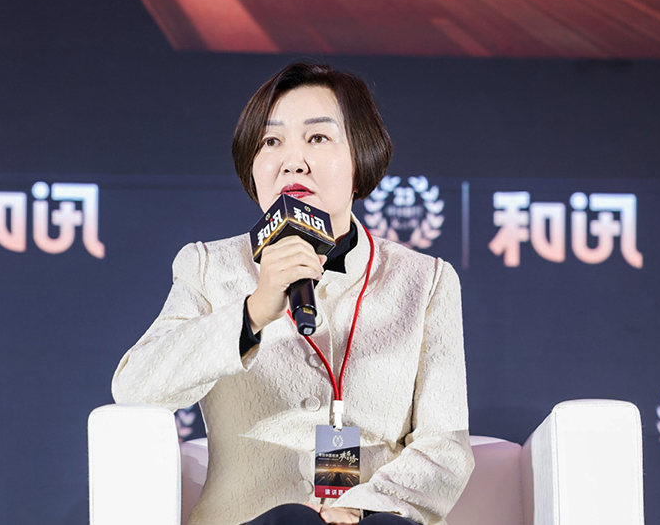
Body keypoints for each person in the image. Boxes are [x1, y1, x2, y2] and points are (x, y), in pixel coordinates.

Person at [111, 62, 473, 525]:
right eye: (271, 141)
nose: (293, 160)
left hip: (374, 516)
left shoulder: (425, 281)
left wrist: (362, 503)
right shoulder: (209, 267)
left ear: (361, 160)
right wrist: (251, 314)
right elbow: (135, 386)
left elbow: (445, 447)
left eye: (317, 138)